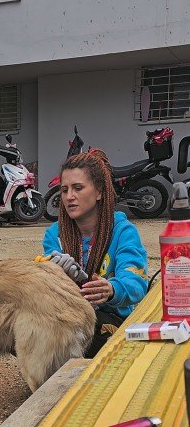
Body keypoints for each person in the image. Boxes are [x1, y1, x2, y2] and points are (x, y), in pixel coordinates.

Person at [42, 149, 148, 357]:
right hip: (66, 315)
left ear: (99, 192)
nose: (69, 197)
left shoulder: (122, 231)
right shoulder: (54, 235)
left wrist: (111, 289)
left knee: (90, 326)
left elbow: (136, 283)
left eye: (78, 188)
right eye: (64, 190)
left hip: (110, 319)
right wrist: (53, 274)